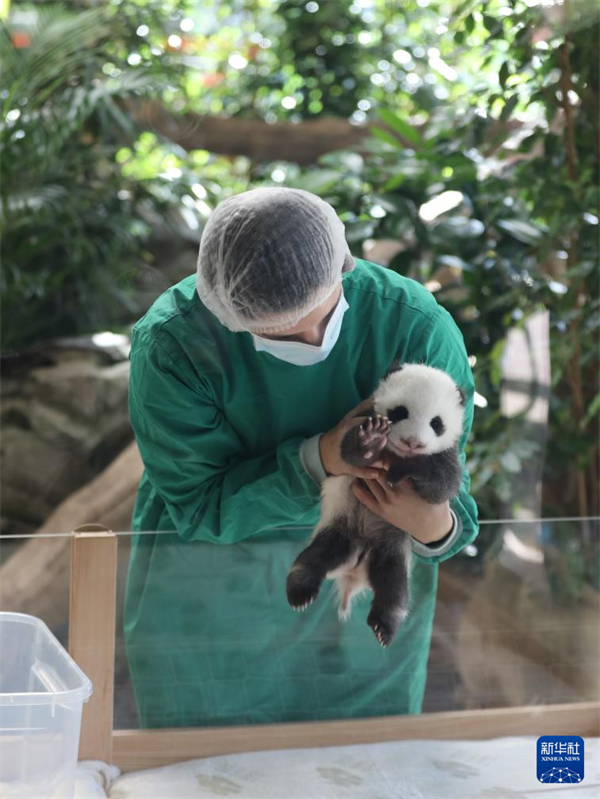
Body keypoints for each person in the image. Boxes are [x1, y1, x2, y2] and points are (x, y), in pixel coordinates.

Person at [125, 187, 478, 729]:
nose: (313, 341)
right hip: (215, 609)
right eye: (281, 332)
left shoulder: (413, 326)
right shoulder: (174, 347)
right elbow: (197, 505)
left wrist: (435, 527)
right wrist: (320, 460)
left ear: (345, 264)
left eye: (323, 313)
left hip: (356, 619)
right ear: (226, 312)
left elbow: (453, 489)